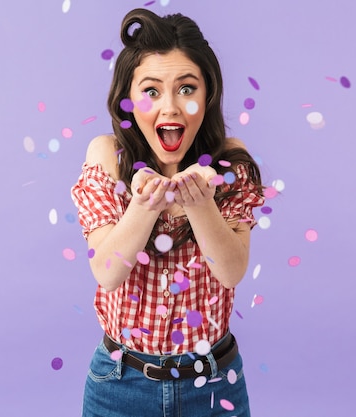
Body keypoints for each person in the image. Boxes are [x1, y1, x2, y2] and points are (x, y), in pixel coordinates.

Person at [71, 8, 264, 417]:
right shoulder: (108, 155)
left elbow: (230, 271)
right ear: (128, 99)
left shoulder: (231, 162)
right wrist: (143, 206)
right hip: (119, 386)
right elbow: (107, 272)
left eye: (186, 88)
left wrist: (200, 204)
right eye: (152, 91)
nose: (170, 107)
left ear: (207, 94)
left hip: (213, 385)